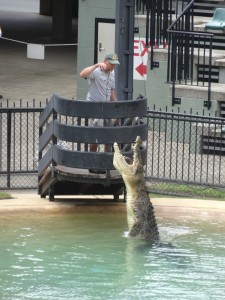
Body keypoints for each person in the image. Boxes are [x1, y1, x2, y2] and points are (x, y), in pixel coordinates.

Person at [80, 52, 120, 173]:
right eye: (111, 64)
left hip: (106, 108)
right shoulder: (96, 72)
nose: (113, 66)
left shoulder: (112, 73)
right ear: (105, 61)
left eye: (115, 64)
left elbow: (111, 90)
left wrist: (116, 106)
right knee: (95, 136)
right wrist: (96, 65)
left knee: (107, 136)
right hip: (94, 107)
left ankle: (105, 163)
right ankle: (92, 163)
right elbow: (82, 74)